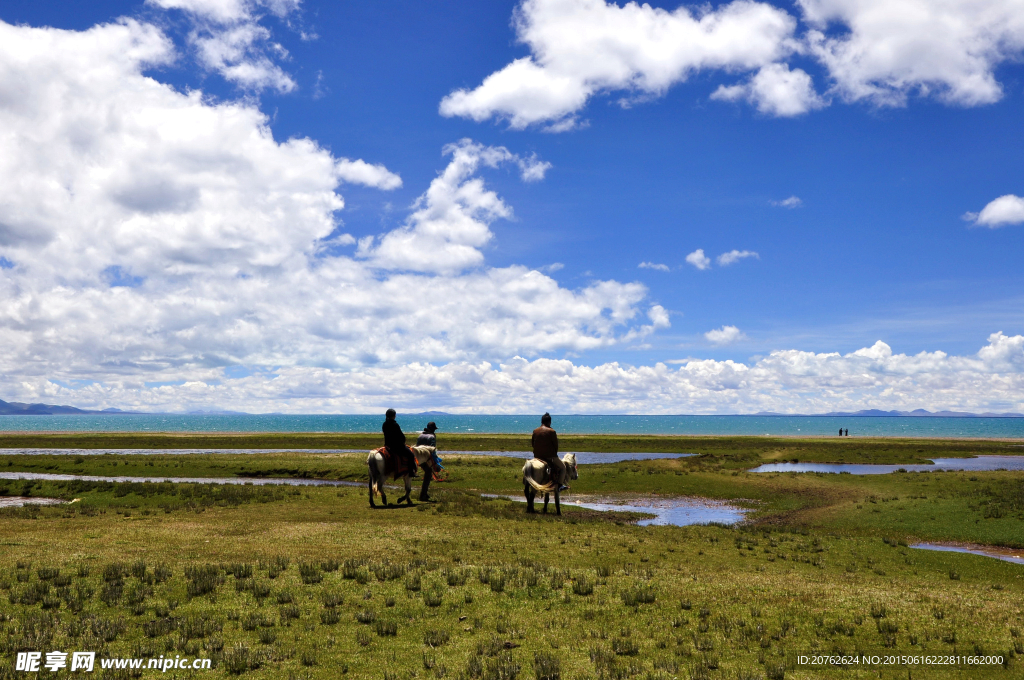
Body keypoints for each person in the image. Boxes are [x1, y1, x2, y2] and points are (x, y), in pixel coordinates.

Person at [532, 412, 567, 491]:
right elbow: (555, 446)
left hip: (537, 456)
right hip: (550, 456)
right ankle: (560, 485)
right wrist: (554, 454)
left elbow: (532, 444)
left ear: (541, 422)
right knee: (563, 468)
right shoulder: (552, 431)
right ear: (550, 422)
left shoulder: (535, 431)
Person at [382, 409, 416, 476]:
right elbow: (400, 435)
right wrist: (403, 441)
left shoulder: (384, 424)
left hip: (387, 445)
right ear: (394, 416)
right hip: (397, 446)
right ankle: (411, 472)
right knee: (411, 455)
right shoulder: (395, 424)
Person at [416, 422, 441, 501]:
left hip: (418, 458)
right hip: (427, 458)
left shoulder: (420, 436)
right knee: (428, 474)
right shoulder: (432, 437)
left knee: (428, 473)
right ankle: (423, 494)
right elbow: (432, 450)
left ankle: (424, 494)